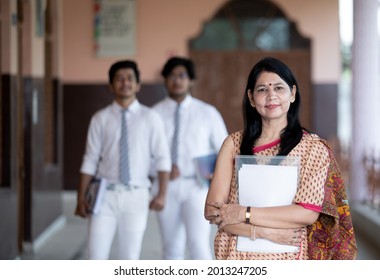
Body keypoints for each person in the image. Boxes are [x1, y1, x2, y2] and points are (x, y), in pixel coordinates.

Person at [204, 57, 357, 260]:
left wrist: (242, 213)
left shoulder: (312, 148)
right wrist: (263, 232)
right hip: (235, 256)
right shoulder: (233, 144)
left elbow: (306, 213)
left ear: (292, 94)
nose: (271, 96)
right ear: (251, 98)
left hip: (288, 255)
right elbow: (213, 211)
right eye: (262, 90)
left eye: (279, 88)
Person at [75, 60, 171, 260]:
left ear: (137, 85)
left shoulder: (150, 118)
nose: (125, 83)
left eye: (130, 78)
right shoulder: (100, 119)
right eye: (119, 79)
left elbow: (163, 158)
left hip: (136, 196)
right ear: (111, 85)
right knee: (95, 256)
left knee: (129, 258)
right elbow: (90, 159)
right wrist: (80, 197)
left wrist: (162, 194)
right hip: (104, 196)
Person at [151, 56, 228, 260]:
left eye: (182, 75)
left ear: (191, 80)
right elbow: (144, 155)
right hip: (166, 187)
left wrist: (215, 175)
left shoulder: (207, 112)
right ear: (165, 80)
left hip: (198, 187)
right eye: (172, 76)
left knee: (199, 246)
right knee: (171, 247)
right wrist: (159, 170)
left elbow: (225, 149)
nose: (177, 80)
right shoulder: (153, 114)